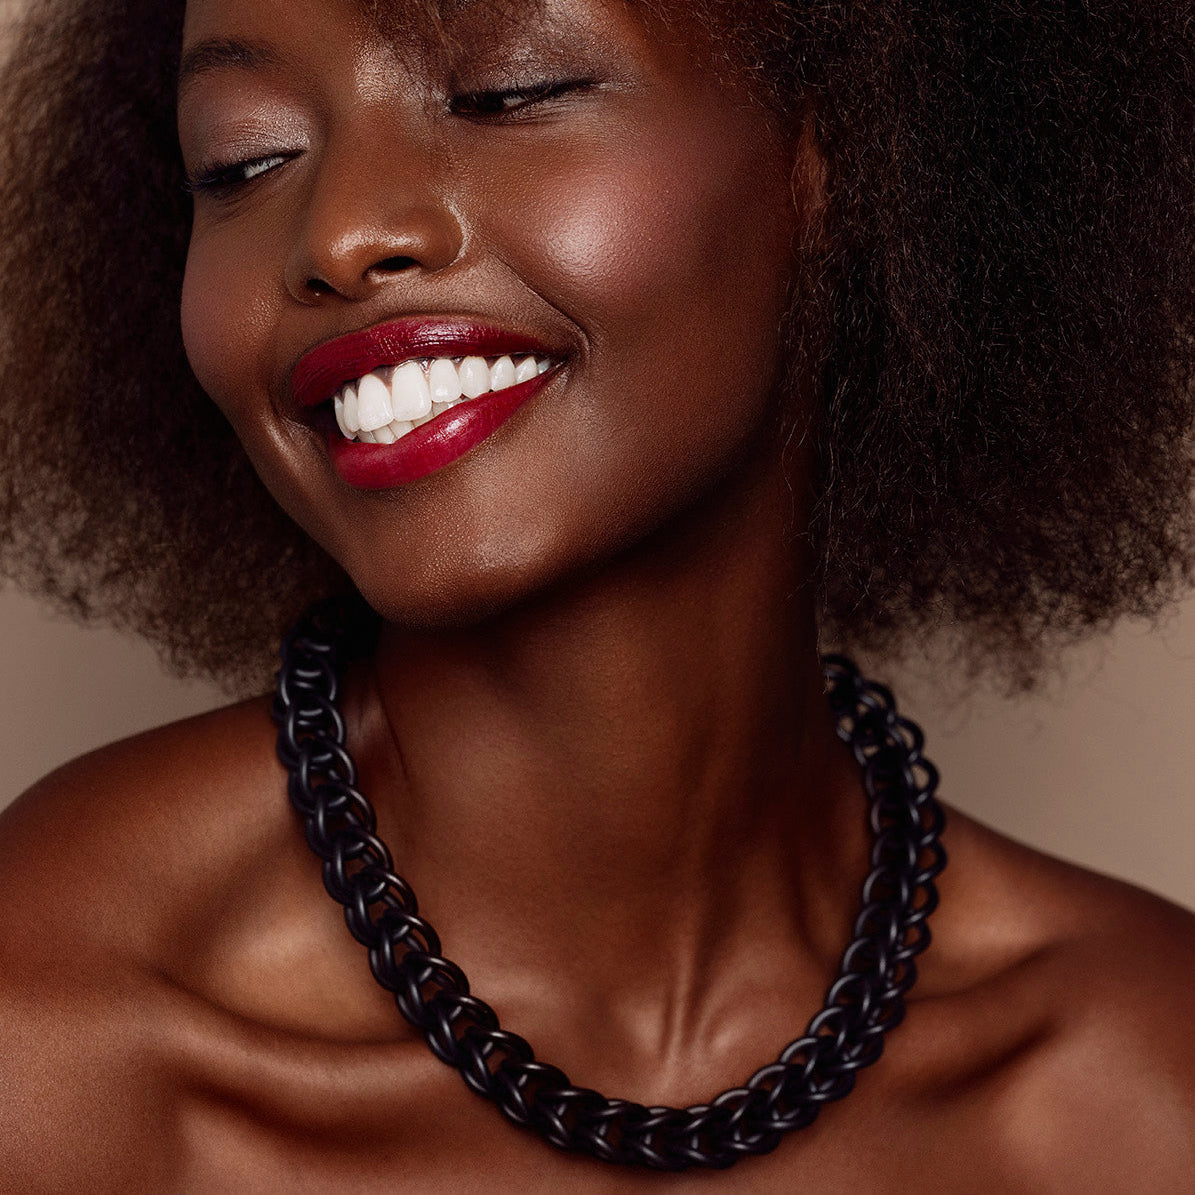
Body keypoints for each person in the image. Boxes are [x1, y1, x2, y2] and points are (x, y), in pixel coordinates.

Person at [1, 0, 1193, 1186]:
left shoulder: (1137, 1079)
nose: (344, 234)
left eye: (505, 93)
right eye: (244, 159)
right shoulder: (54, 1031)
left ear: (837, 150)